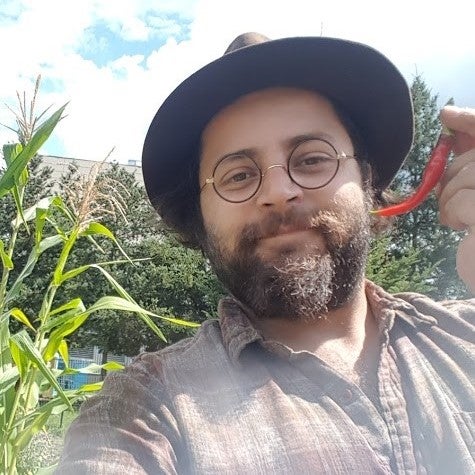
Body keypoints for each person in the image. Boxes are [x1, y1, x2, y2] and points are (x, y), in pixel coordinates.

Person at [56, 33, 474, 474]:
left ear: (365, 179)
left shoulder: (463, 338)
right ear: (200, 218)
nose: (279, 192)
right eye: (237, 175)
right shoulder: (144, 411)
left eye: (312, 159)